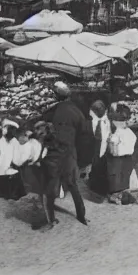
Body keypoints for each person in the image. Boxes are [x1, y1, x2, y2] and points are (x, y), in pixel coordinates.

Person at [41, 82, 88, 226]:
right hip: (70, 152)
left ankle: (51, 219)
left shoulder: (53, 110)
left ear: (56, 95)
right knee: (73, 185)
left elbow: (43, 120)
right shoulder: (76, 110)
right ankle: (81, 216)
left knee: (50, 184)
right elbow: (83, 130)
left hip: (55, 152)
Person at [101, 104, 137, 204]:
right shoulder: (119, 131)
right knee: (115, 176)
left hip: (121, 158)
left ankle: (119, 193)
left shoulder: (126, 133)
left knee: (119, 175)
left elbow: (118, 151)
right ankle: (116, 192)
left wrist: (113, 143)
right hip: (118, 158)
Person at [0, 120, 26, 201]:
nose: (13, 132)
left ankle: (14, 193)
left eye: (14, 131)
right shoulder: (0, 141)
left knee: (15, 175)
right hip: (2, 168)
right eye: (11, 130)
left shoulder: (14, 141)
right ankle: (8, 193)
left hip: (12, 166)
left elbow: (17, 157)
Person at [86, 100, 111, 196]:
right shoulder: (91, 122)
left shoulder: (108, 122)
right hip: (94, 149)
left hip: (104, 149)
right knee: (95, 166)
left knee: (101, 168)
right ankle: (93, 186)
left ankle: (100, 191)